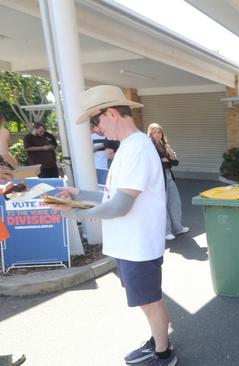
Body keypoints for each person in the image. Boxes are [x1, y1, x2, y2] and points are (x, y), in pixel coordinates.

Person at [48, 85, 176, 365]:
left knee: (149, 302)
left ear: (112, 113)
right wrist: (79, 195)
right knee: (147, 301)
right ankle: (158, 340)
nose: (95, 129)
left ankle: (163, 353)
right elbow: (113, 196)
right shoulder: (130, 147)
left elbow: (120, 206)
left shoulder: (137, 149)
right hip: (130, 243)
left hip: (137, 245)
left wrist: (75, 214)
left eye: (95, 121)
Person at [147, 123, 189, 241]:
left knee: (175, 201)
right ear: (150, 134)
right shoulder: (149, 147)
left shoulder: (164, 145)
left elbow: (175, 162)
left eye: (159, 132)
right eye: (154, 132)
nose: (157, 134)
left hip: (169, 175)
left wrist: (170, 159)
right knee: (162, 204)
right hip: (158, 177)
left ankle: (178, 228)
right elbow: (151, 163)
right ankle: (166, 231)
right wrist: (165, 160)